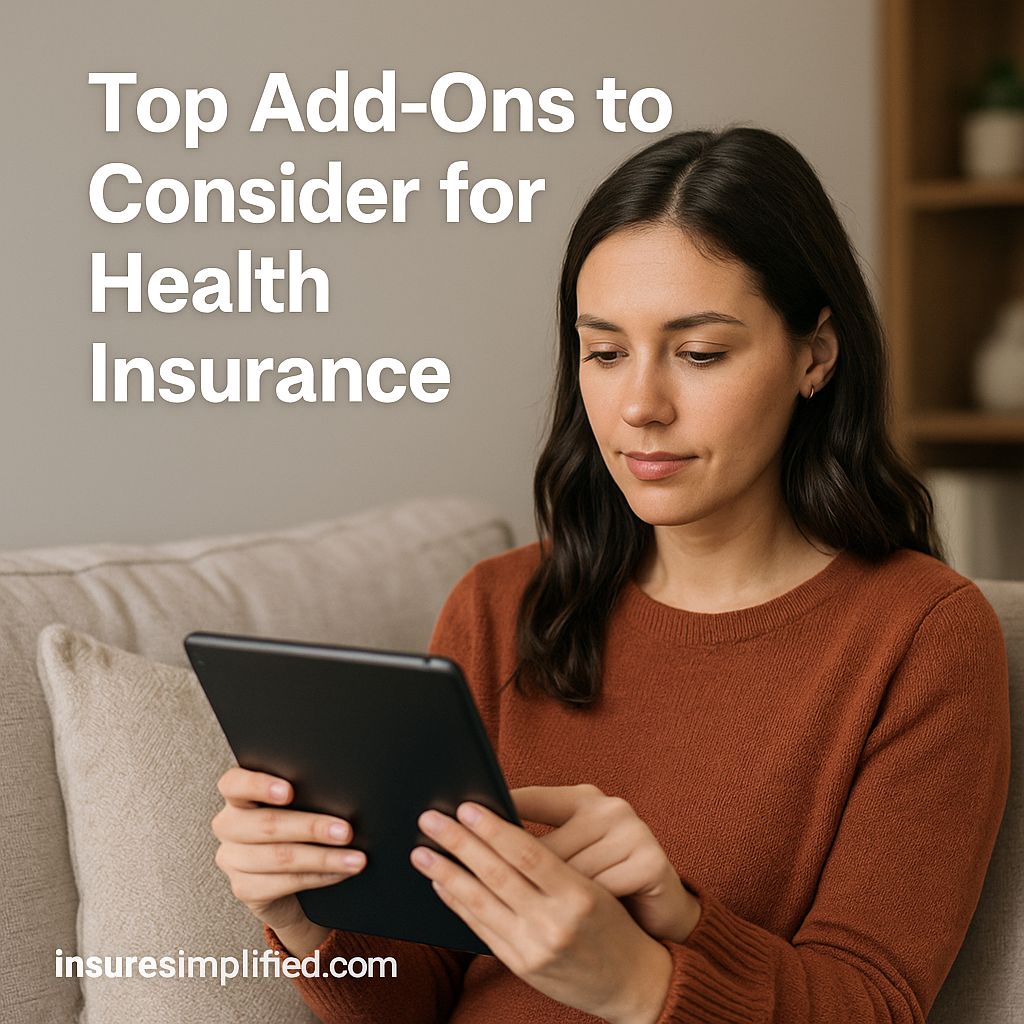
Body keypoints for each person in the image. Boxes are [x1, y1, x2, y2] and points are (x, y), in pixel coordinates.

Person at [211, 127, 1010, 1024]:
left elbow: (872, 1003)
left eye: (699, 354)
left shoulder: (921, 635)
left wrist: (644, 972)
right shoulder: (499, 606)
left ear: (816, 355)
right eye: (605, 352)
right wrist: (308, 919)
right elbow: (418, 995)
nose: (639, 406)